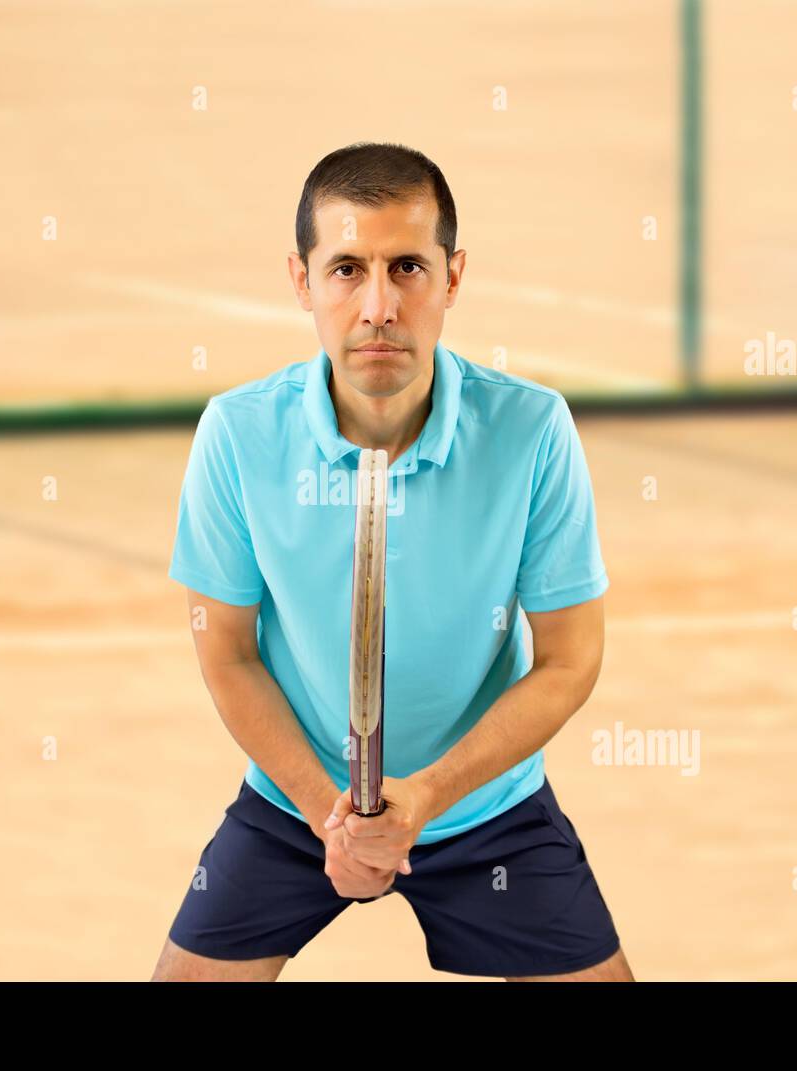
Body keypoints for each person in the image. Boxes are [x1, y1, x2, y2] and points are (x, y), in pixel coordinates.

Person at [153, 142, 633, 982]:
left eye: (407, 265)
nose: (378, 305)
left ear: (453, 277)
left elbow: (570, 657)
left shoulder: (531, 430)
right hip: (297, 804)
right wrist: (329, 817)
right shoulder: (237, 434)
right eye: (346, 269)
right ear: (301, 282)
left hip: (488, 807)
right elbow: (225, 651)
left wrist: (426, 796)